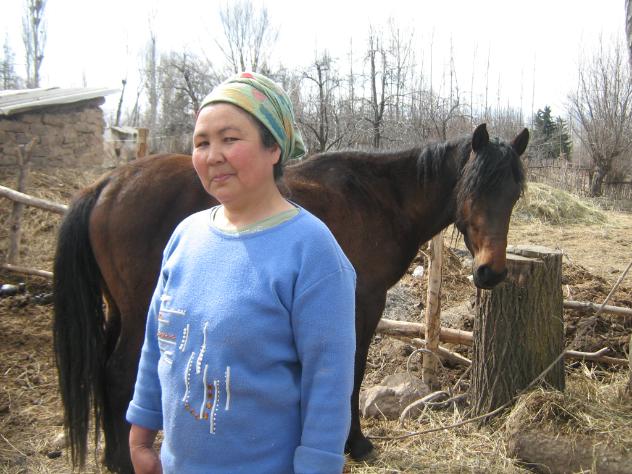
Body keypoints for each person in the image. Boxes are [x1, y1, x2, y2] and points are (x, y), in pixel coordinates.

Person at [126, 71, 357, 474]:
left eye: (229, 139)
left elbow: (328, 380)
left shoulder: (311, 249)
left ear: (274, 148)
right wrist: (141, 436)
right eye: (201, 142)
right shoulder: (186, 236)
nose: (212, 155)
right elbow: (157, 345)